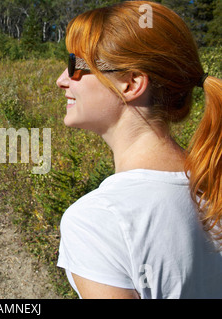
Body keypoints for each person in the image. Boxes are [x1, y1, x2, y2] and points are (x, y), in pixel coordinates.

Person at [56, 1, 222, 299]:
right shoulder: (214, 186)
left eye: (74, 65)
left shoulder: (97, 221)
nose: (62, 80)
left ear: (131, 84)